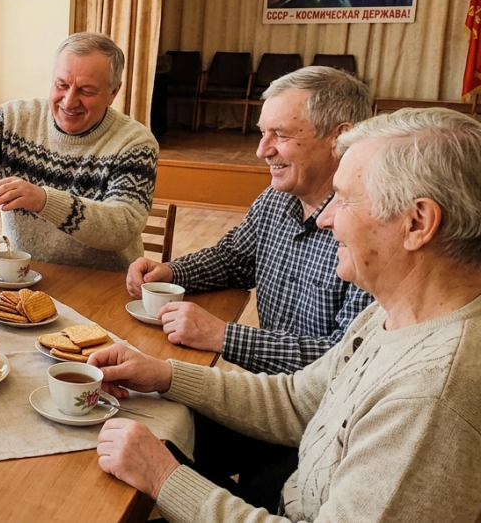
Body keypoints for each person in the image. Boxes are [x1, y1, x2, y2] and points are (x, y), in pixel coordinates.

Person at [93, 107, 481, 521]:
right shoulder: (393, 313)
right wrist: (165, 374)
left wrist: (164, 478)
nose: (325, 218)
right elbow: (298, 401)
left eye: (345, 200)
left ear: (417, 223)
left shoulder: (430, 398)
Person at [126, 67, 374, 374]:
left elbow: (349, 361)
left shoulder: (374, 229)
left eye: (280, 134)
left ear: (340, 137)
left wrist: (224, 336)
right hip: (266, 388)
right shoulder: (275, 200)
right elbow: (232, 260)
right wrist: (171, 272)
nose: (261, 151)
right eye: (262, 133)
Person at [0, 32, 158, 272]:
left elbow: (123, 226)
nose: (69, 101)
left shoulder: (135, 143)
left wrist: (45, 201)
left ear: (113, 92)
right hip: (22, 275)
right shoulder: (13, 120)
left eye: (86, 91)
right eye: (61, 85)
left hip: (103, 282)